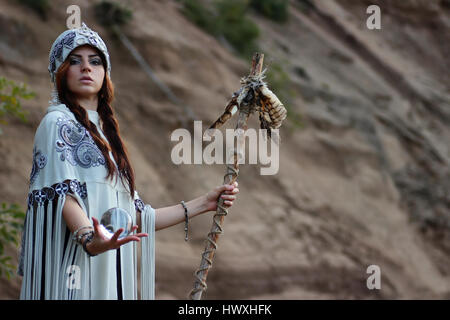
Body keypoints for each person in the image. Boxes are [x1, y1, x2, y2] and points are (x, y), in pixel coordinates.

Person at [18, 23, 239, 300]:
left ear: (105, 73)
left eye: (95, 61)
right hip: (73, 271)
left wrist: (204, 203)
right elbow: (64, 197)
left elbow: (133, 216)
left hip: (106, 263)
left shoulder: (107, 137)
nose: (86, 67)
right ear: (60, 73)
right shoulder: (56, 122)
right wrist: (90, 240)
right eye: (74, 61)